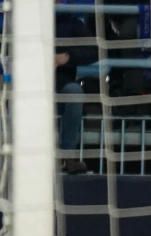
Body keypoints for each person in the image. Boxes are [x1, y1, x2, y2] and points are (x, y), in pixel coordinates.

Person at [56, 5, 97, 174]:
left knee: (74, 92)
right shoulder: (23, 21)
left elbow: (94, 50)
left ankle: (67, 156)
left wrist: (67, 57)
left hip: (61, 83)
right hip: (27, 82)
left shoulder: (69, 21)